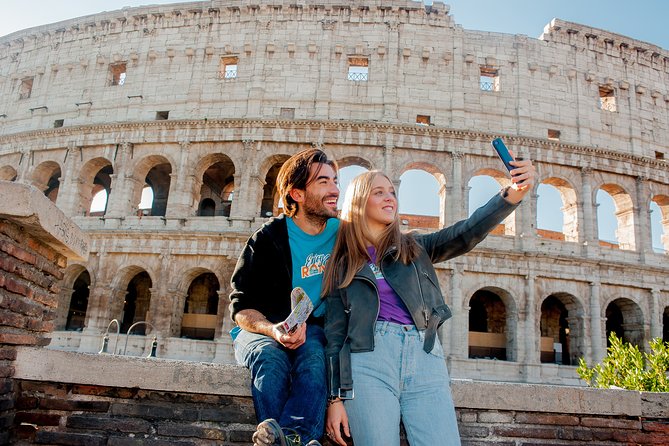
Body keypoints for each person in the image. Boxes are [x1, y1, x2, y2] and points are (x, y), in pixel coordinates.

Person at [322, 158, 536, 446]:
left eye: (392, 192)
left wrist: (513, 193)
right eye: (379, 192)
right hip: (368, 359)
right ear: (359, 201)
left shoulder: (415, 247)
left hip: (424, 355)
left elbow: (466, 232)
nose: (390, 197)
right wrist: (335, 399)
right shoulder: (342, 263)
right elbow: (335, 334)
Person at [229, 148, 340, 446]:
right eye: (323, 182)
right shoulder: (267, 238)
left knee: (315, 359)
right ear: (298, 194)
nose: (335, 190)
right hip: (261, 330)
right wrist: (273, 330)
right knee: (270, 356)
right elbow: (241, 307)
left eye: (335, 181)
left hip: (313, 329)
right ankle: (299, 441)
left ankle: (286, 440)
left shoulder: (343, 234)